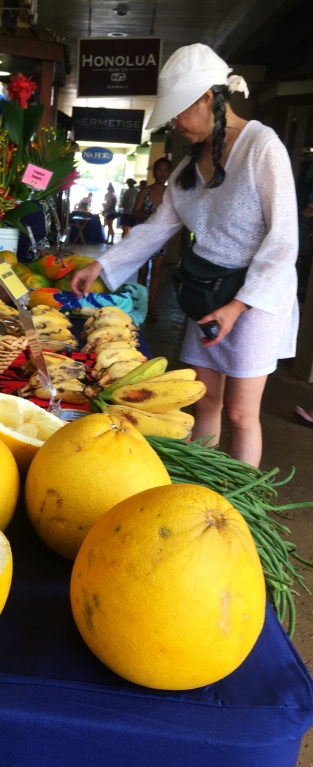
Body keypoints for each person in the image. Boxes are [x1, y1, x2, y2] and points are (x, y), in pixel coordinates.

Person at [71, 43, 299, 468]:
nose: (175, 123)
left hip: (256, 299)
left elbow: (284, 239)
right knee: (205, 399)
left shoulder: (261, 147)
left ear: (208, 99)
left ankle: (240, 506)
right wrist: (103, 263)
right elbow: (160, 226)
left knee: (240, 413)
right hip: (205, 292)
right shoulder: (191, 162)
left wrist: (239, 305)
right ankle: (205, 485)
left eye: (179, 111)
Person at [133, 157, 172, 315]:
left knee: (157, 272)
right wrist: (150, 214)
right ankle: (141, 303)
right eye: (159, 169)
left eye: (166, 169)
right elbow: (134, 212)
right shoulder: (145, 191)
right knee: (142, 272)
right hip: (143, 237)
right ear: (154, 172)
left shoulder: (171, 194)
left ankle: (151, 306)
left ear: (170, 172)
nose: (162, 173)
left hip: (161, 238)